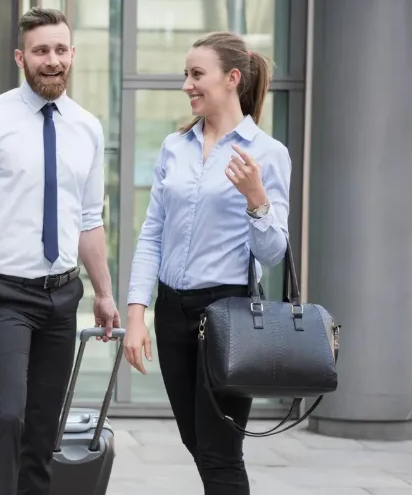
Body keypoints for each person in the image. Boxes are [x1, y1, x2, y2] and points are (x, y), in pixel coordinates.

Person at [0, 8, 120, 495]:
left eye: (60, 50)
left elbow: (90, 219)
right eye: (41, 51)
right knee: (7, 417)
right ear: (21, 57)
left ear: (72, 54)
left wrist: (103, 294)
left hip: (62, 297)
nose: (52, 61)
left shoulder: (87, 127)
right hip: (3, 295)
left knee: (44, 428)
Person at [124, 31, 290, 494]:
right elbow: (151, 233)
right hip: (173, 312)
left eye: (197, 74)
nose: (187, 85)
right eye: (186, 75)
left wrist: (257, 200)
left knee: (219, 453)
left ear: (232, 78)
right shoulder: (174, 147)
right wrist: (137, 312)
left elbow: (272, 254)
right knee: (198, 443)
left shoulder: (268, 155)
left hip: (228, 316)